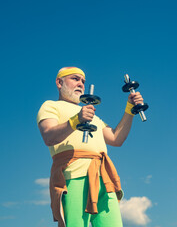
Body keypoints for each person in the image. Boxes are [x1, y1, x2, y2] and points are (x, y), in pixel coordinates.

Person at [37, 67, 144, 227]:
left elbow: (116, 138)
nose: (80, 84)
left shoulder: (92, 115)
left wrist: (130, 109)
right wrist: (76, 120)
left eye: (83, 81)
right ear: (59, 82)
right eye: (75, 79)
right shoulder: (50, 106)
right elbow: (48, 136)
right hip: (73, 176)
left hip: (104, 178)